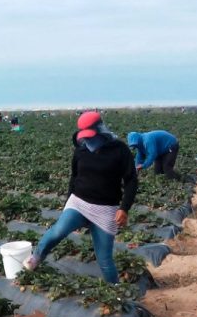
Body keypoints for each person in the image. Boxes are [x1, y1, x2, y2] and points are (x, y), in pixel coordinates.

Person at [25, 111, 137, 284]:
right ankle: (36, 259)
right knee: (57, 232)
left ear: (101, 130)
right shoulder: (81, 149)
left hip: (106, 209)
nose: (88, 141)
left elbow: (131, 180)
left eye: (91, 136)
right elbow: (74, 177)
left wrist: (124, 208)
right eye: (85, 137)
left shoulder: (119, 150)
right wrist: (68, 203)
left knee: (104, 259)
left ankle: (117, 293)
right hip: (79, 202)